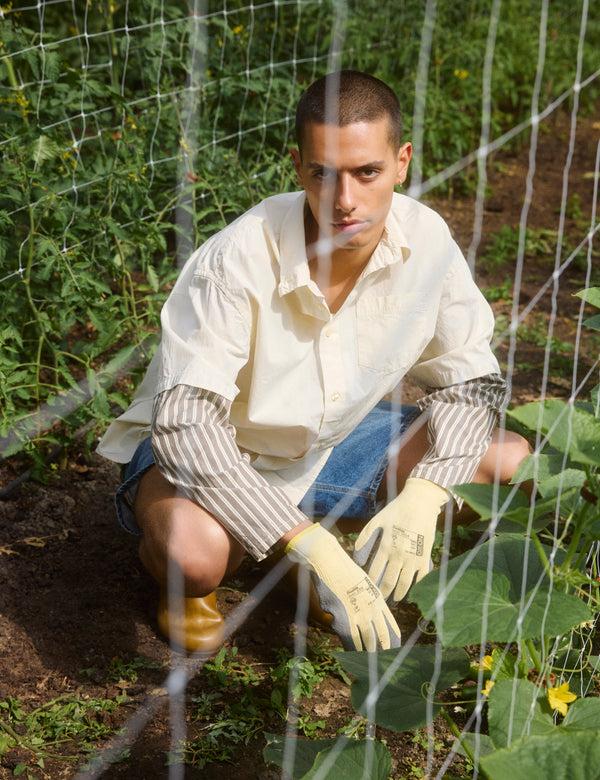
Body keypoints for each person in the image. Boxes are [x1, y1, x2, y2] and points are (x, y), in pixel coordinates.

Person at [96, 70, 530, 654]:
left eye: (366, 172)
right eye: (323, 174)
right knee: (193, 557)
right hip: (217, 454)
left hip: (331, 444)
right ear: (298, 165)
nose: (344, 200)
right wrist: (305, 539)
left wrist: (428, 491)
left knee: (503, 461)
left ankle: (315, 554)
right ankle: (261, 563)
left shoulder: (426, 240)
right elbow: (186, 427)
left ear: (402, 162)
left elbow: (470, 380)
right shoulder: (235, 259)